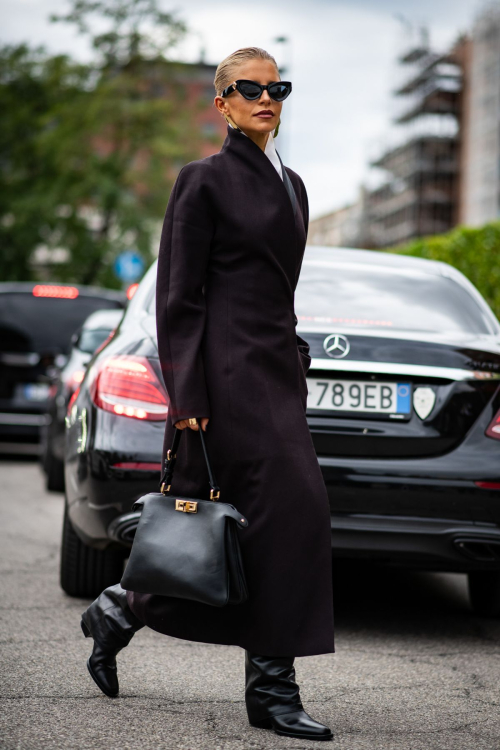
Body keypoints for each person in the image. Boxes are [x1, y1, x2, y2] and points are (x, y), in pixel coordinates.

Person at [80, 46, 335, 742]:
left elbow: (274, 291)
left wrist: (295, 354)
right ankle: (273, 691)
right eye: (248, 88)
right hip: (219, 385)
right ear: (220, 103)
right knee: (291, 516)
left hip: (275, 378)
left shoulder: (297, 186)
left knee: (264, 527)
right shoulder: (203, 180)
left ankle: (119, 610)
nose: (265, 97)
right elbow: (178, 297)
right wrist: (186, 394)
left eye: (276, 86)